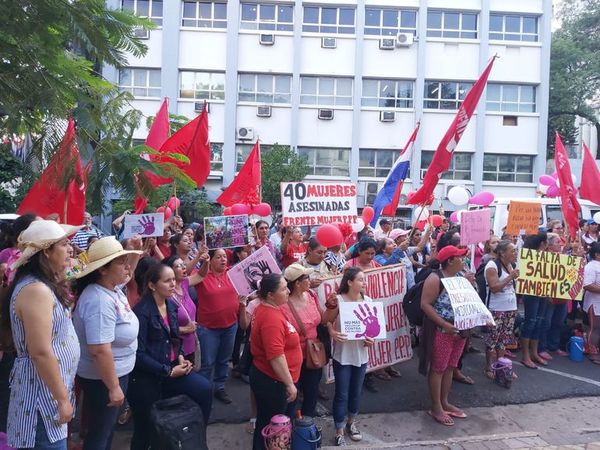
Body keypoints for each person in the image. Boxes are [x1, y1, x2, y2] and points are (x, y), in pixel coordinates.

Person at [0, 220, 82, 449]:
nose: (70, 250)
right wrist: (62, 399)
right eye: (64, 245)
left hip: (47, 394)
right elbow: (40, 351)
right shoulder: (35, 289)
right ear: (46, 251)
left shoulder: (44, 285)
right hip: (40, 399)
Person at [127, 263, 212, 450]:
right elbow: (139, 354)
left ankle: (195, 438)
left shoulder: (171, 305)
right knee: (145, 429)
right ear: (152, 285)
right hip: (147, 376)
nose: (173, 284)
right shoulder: (141, 313)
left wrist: (180, 356)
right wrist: (168, 371)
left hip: (172, 367)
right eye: (167, 281)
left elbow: (175, 339)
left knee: (204, 389)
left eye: (174, 279)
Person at [73, 237, 142, 450]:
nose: (128, 265)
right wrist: (113, 387)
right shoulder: (98, 301)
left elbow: (126, 274)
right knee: (100, 433)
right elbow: (100, 350)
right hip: (103, 380)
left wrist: (133, 252)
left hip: (113, 375)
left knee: (106, 428)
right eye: (120, 262)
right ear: (103, 270)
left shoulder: (109, 287)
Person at [323, 267, 374, 446]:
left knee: (355, 392)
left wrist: (371, 340)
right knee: (342, 394)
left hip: (361, 356)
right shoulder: (338, 300)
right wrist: (332, 331)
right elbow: (325, 320)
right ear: (350, 282)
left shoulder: (368, 300)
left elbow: (372, 329)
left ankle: (351, 423)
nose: (364, 283)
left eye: (364, 279)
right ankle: (338, 429)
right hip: (342, 356)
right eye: (360, 279)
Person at [250, 273, 302, 450]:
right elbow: (275, 356)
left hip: (271, 379)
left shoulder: (270, 308)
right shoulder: (271, 318)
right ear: (270, 294)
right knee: (274, 429)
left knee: (267, 424)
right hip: (274, 382)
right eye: (283, 288)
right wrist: (289, 384)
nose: (288, 291)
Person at [420, 245, 469, 427]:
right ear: (449, 261)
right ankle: (436, 406)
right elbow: (425, 305)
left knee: (450, 366)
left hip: (460, 330)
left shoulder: (461, 277)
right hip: (441, 331)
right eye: (459, 257)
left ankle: (445, 401)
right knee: (438, 368)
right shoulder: (435, 278)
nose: (463, 260)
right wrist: (444, 324)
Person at [196, 248, 241, 404]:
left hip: (230, 325)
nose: (223, 260)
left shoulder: (232, 273)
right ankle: (202, 390)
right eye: (218, 257)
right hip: (208, 328)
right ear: (210, 259)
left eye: (224, 257)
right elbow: (184, 277)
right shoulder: (201, 276)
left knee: (224, 360)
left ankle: (219, 387)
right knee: (207, 363)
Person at [281, 264, 324, 418]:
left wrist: (333, 306)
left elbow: (323, 319)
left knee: (312, 392)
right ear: (297, 284)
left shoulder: (312, 295)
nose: (310, 280)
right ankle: (288, 429)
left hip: (313, 354)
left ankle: (306, 428)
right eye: (307, 278)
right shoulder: (283, 305)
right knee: (291, 396)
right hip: (293, 358)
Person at [162, 254, 208, 363]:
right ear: (169, 271)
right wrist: (185, 329)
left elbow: (201, 275)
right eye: (178, 266)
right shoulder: (165, 294)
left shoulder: (184, 283)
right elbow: (161, 326)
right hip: (176, 350)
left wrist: (206, 262)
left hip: (191, 345)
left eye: (183, 264)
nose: (183, 267)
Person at [483, 240, 519, 379]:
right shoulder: (492, 266)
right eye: (512, 251)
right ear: (502, 253)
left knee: (503, 341)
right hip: (496, 309)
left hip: (510, 308)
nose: (515, 253)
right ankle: (489, 367)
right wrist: (510, 277)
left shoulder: (511, 265)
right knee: (492, 340)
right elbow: (494, 288)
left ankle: (501, 366)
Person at [538, 233, 569, 360]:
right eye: (557, 242)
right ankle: (542, 348)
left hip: (562, 295)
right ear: (549, 245)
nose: (560, 244)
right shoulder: (543, 257)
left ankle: (554, 346)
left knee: (558, 322)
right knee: (546, 322)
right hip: (549, 296)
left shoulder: (564, 257)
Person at [520, 232, 549, 369]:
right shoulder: (527, 257)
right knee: (530, 322)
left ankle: (534, 352)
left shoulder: (547, 257)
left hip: (543, 293)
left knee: (539, 321)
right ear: (542, 243)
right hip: (531, 294)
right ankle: (526, 355)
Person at [583, 242, 600, 361]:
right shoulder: (591, 266)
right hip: (594, 302)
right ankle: (592, 352)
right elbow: (588, 285)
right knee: (595, 327)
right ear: (597, 254)